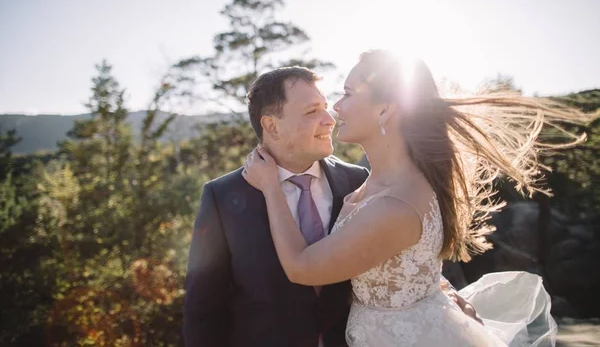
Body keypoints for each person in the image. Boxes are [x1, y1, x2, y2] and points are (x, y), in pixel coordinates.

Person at [243, 50, 591, 346]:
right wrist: (436, 288)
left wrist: (272, 188)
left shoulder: (396, 204)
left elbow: (302, 268)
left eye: (348, 94)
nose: (337, 107)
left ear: (386, 110)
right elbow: (408, 262)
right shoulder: (384, 180)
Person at [183, 66, 475, 347]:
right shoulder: (223, 197)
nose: (330, 119)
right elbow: (203, 310)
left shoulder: (359, 182)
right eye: (312, 112)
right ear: (271, 126)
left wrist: (440, 290)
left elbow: (396, 252)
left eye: (326, 106)